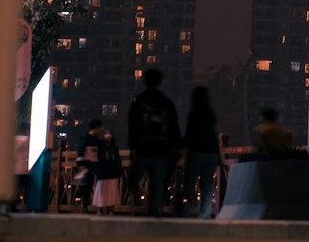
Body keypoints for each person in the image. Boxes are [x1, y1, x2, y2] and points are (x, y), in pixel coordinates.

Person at [128, 68, 181, 217]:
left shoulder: (139, 102)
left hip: (143, 149)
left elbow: (133, 126)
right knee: (158, 185)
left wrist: (133, 147)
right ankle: (153, 213)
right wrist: (175, 148)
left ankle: (139, 197)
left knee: (133, 179)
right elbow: (174, 129)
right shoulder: (167, 103)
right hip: (161, 151)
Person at [183, 86, 221, 216]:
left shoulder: (194, 113)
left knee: (189, 181)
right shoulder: (210, 113)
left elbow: (190, 133)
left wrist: (182, 147)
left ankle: (192, 208)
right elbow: (215, 134)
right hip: (211, 153)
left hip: (196, 152)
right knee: (207, 185)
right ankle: (205, 214)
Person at [91, 128, 123, 215]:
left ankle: (111, 209)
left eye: (109, 134)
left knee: (111, 191)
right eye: (106, 134)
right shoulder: (101, 147)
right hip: (103, 172)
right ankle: (100, 209)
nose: (108, 136)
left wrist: (118, 171)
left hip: (112, 172)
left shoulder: (114, 148)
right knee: (101, 190)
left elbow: (117, 160)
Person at [73, 117, 102, 210]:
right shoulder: (86, 139)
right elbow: (81, 152)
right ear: (97, 128)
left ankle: (84, 204)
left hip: (92, 165)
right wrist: (81, 165)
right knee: (86, 186)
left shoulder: (93, 139)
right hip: (87, 165)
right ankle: (85, 205)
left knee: (88, 185)